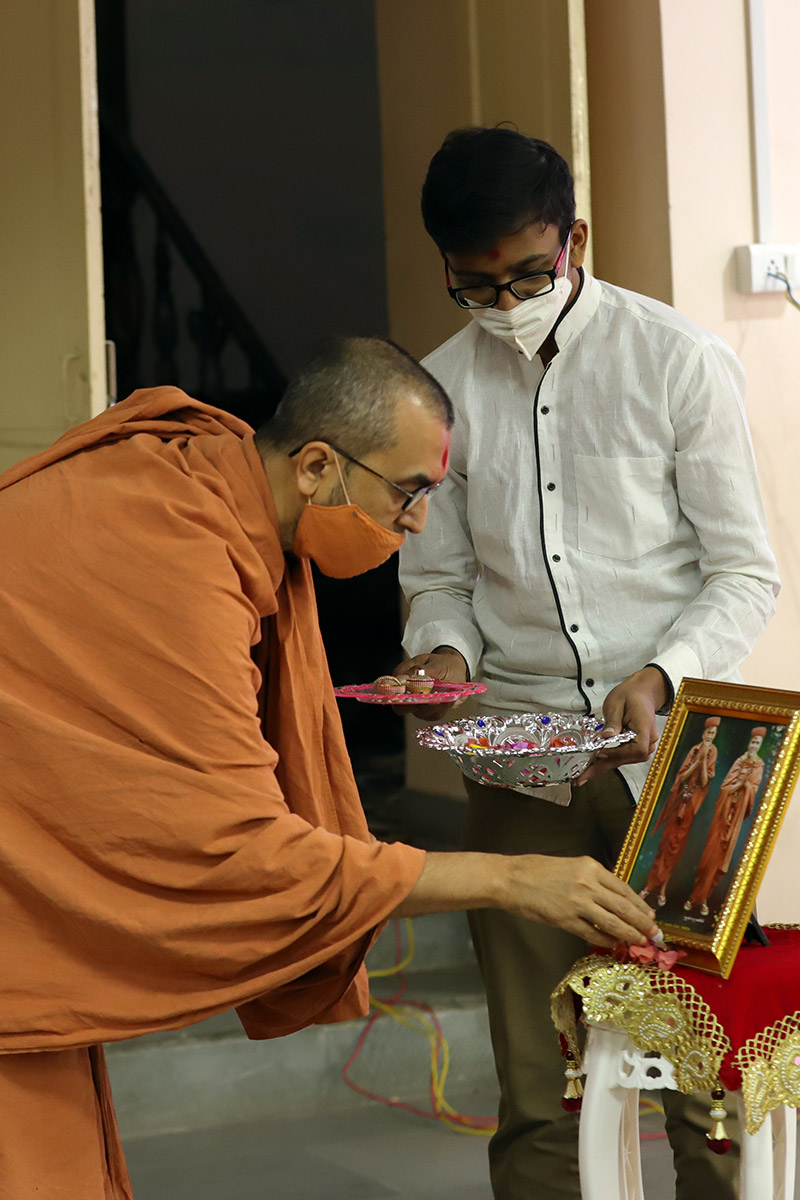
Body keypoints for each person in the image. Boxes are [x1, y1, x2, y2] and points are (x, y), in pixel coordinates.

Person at [0, 336, 656, 1199]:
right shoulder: (177, 549)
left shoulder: (204, 477)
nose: (419, 523)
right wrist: (509, 878)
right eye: (408, 492)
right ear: (315, 466)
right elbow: (240, 852)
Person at [397, 127, 780, 1200]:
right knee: (538, 1085)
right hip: (522, 763)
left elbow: (745, 573)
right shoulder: (436, 394)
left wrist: (660, 673)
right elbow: (439, 580)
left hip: (683, 760)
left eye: (529, 275)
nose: (506, 303)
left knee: (706, 1078)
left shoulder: (675, 359)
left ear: (577, 238)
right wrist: (440, 652)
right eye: (476, 286)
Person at [685, 726, 767, 918]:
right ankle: (694, 898)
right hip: (722, 817)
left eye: (757, 743)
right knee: (707, 859)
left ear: (759, 745)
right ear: (749, 743)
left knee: (721, 863)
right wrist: (738, 784)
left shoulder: (759, 765)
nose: (754, 745)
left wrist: (746, 785)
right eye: (753, 741)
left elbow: (753, 790)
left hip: (735, 820)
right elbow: (724, 788)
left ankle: (704, 899)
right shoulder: (740, 761)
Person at [640, 717, 720, 907]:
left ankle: (663, 889)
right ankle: (649, 886)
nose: (710, 736)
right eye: (708, 732)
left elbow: (704, 781)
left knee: (676, 850)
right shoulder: (694, 750)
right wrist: (697, 761)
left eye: (713, 734)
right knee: (664, 845)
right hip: (678, 803)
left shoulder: (713, 752)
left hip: (691, 807)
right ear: (703, 733)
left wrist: (703, 762)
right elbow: (682, 776)